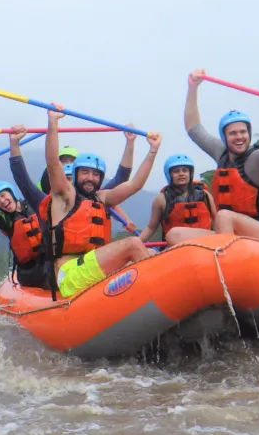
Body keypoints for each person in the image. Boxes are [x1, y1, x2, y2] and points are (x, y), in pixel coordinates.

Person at [42, 106, 160, 299]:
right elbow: (53, 162)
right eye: (85, 172)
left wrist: (152, 150)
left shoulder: (102, 198)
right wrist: (53, 122)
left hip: (94, 268)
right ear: (76, 174)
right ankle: (156, 299)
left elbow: (135, 184)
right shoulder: (64, 195)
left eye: (96, 174)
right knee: (133, 244)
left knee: (151, 252)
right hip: (69, 275)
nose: (90, 178)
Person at [183, 67, 259, 250]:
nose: (239, 137)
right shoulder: (220, 152)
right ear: (224, 137)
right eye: (233, 133)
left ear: (249, 134)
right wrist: (193, 88)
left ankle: (226, 260)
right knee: (176, 234)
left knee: (223, 216)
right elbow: (193, 129)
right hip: (234, 233)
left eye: (243, 132)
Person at [139, 153, 223, 246]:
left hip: (204, 245)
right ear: (169, 174)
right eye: (176, 171)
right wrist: (137, 241)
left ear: (190, 173)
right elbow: (151, 228)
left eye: (185, 170)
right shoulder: (161, 199)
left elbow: (217, 220)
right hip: (176, 246)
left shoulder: (204, 195)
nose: (181, 174)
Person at [38, 129, 136, 195]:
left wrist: (130, 142)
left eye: (72, 161)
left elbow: (121, 178)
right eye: (63, 161)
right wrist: (53, 121)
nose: (68, 165)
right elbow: (52, 161)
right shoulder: (48, 188)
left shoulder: (94, 194)